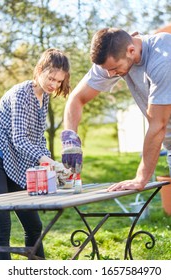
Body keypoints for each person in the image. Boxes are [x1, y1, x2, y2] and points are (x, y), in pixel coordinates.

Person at [61, 27, 171, 192]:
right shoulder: (112, 59)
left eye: (114, 69)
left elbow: (158, 126)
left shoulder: (162, 57)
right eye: (107, 70)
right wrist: (70, 142)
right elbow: (76, 99)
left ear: (131, 50)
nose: (110, 75)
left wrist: (141, 177)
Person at [0, 48, 71, 259]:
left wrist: (52, 165)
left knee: (34, 226)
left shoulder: (43, 98)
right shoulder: (20, 94)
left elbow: (38, 138)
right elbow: (19, 138)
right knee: (2, 229)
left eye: (59, 81)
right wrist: (47, 161)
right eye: (51, 78)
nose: (54, 85)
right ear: (39, 70)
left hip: (15, 162)